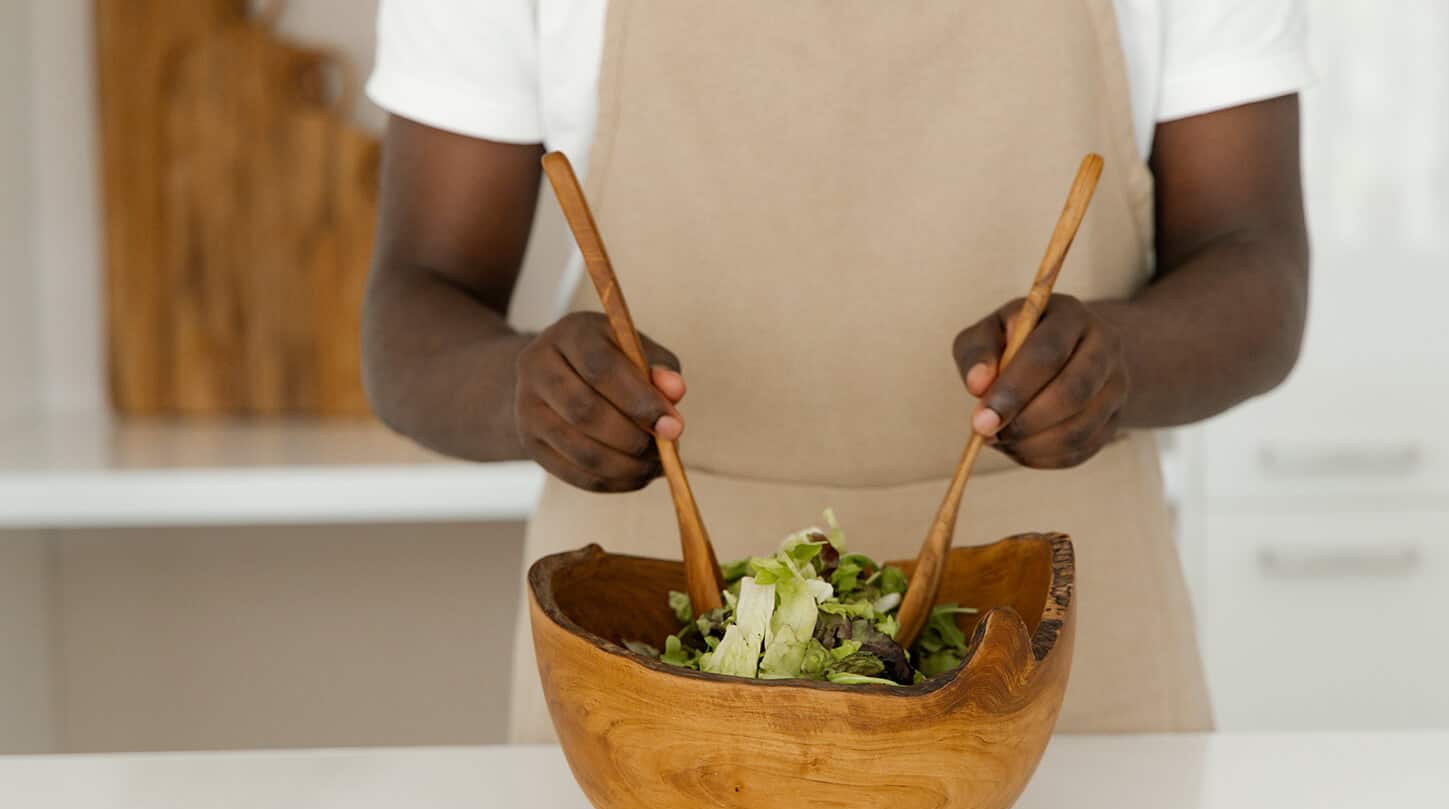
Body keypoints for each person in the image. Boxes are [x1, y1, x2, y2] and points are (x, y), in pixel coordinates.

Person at [362, 0, 1312, 742]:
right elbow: (412, 312)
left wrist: (1121, 366)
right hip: (647, 662)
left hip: (1055, 658)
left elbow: (1257, 264)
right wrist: (522, 394)